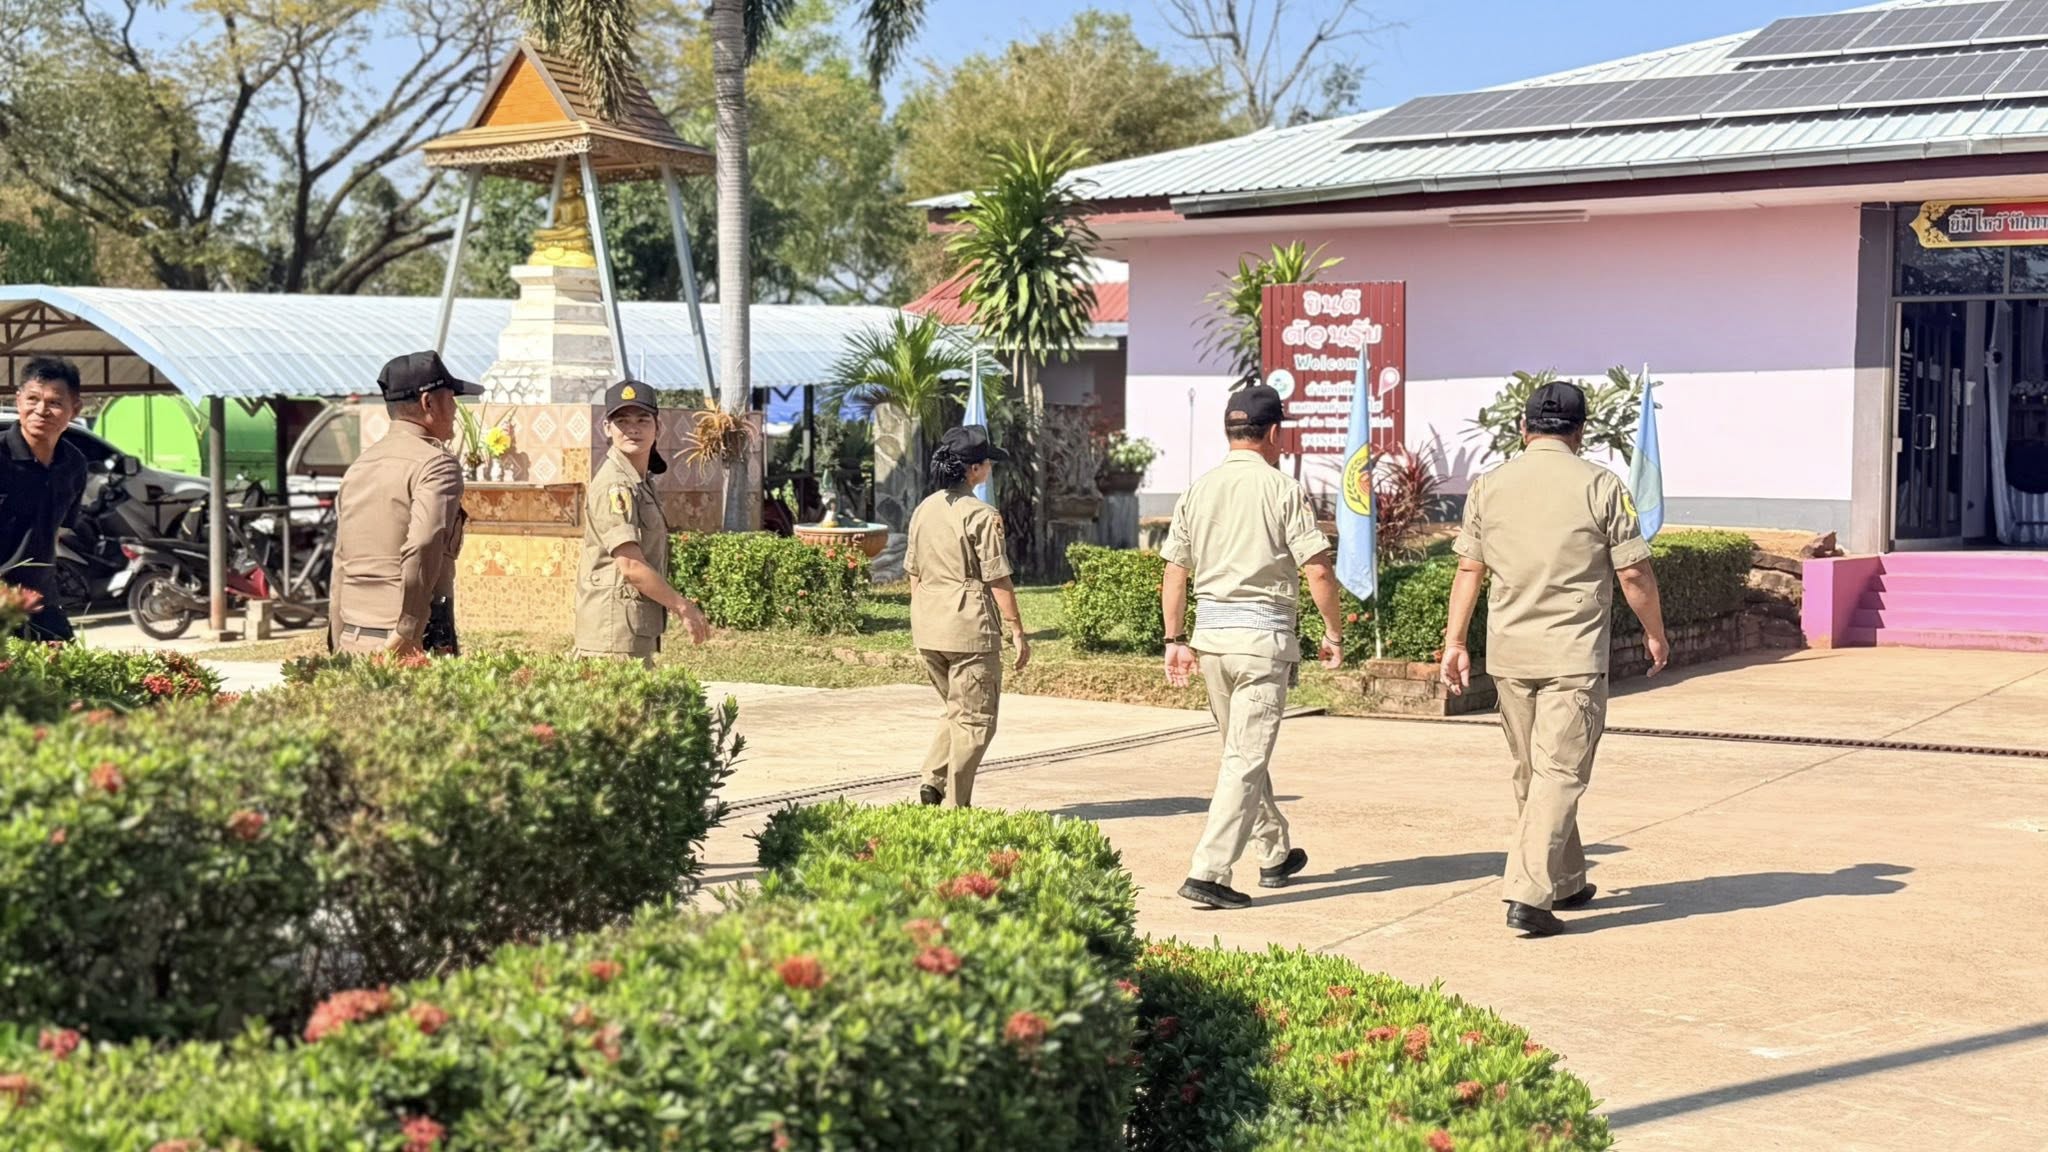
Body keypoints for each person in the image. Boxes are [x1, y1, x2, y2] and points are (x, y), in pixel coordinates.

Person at [1442, 380, 1670, 938]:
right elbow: (1634, 572)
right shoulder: (1601, 485)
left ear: (1523, 428)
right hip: (1572, 654)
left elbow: (1469, 568)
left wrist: (1454, 642)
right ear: (1580, 430)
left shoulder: (1489, 486)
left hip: (1510, 656)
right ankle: (1528, 894)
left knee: (1534, 772)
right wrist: (1655, 633)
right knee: (1560, 773)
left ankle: (1565, 879)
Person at [1160, 384, 1345, 910]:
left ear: (1229, 430)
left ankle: (1274, 851)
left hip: (1212, 643)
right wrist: (1334, 633)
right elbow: (1317, 569)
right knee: (1244, 759)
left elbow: (1174, 571)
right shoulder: (1283, 489)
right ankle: (1208, 872)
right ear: (1273, 433)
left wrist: (1174, 639)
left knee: (1241, 754)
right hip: (1261, 643)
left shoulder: (1198, 490)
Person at [904, 425, 1029, 809]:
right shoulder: (981, 515)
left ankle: (934, 781)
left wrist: (925, 613)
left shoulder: (924, 509)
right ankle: (957, 807)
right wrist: (1017, 629)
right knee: (975, 721)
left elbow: (913, 572)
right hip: (969, 628)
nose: (990, 467)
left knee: (957, 709)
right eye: (987, 462)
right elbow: (997, 576)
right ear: (974, 469)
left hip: (929, 627)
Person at [331, 351, 478, 657]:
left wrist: (338, 640)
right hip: (409, 641)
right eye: (451, 398)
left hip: (353, 634)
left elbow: (341, 559)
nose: (455, 408)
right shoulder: (436, 464)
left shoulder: (360, 465)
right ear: (428, 403)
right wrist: (408, 628)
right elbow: (424, 542)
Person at [575, 380, 709, 662]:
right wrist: (682, 607)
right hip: (613, 634)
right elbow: (631, 566)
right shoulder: (616, 485)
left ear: (658, 427)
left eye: (642, 420)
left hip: (628, 628)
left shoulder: (639, 482)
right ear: (607, 428)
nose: (632, 429)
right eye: (622, 421)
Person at [0, 357, 89, 641]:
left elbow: (59, 532)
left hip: (41, 602)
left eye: (54, 402)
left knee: (68, 667)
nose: (41, 410)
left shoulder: (73, 464)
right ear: (18, 401)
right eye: (33, 399)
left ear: (75, 409)